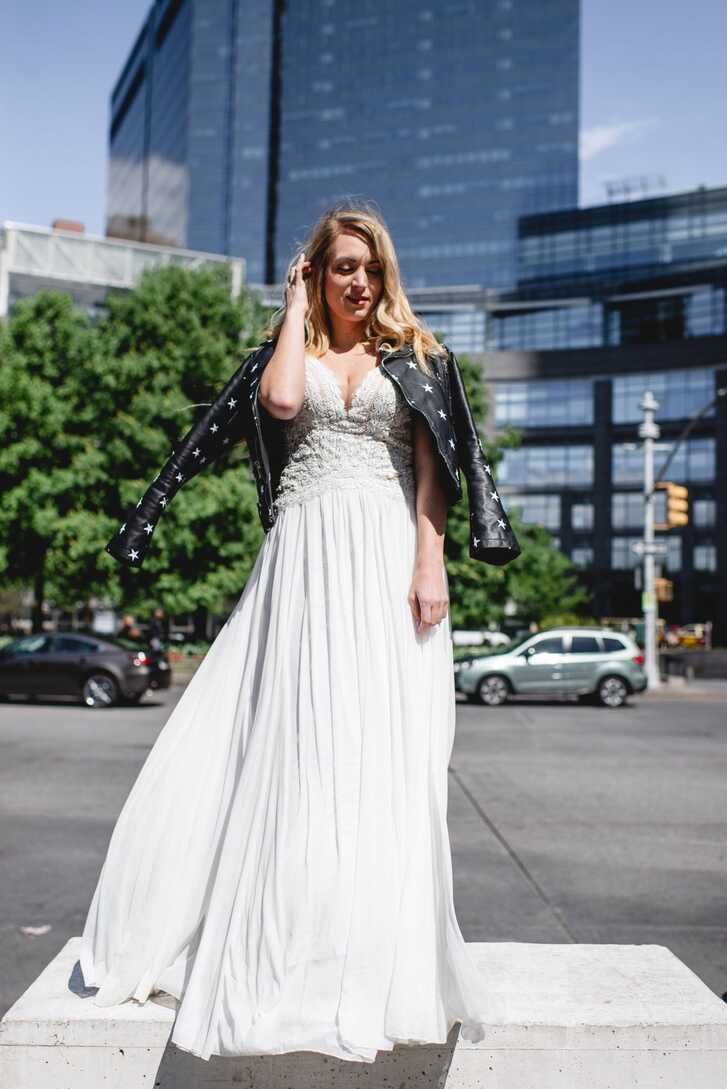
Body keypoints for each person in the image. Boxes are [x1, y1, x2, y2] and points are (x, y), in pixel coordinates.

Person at [80, 202, 516, 1063]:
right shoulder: (295, 352)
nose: (357, 281)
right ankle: (286, 937)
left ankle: (366, 946)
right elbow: (279, 401)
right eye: (339, 266)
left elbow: (436, 473)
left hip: (386, 555)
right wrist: (291, 310)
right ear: (314, 270)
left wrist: (430, 564)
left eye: (369, 268)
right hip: (304, 557)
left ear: (384, 275)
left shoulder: (419, 358)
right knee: (294, 741)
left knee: (377, 748)